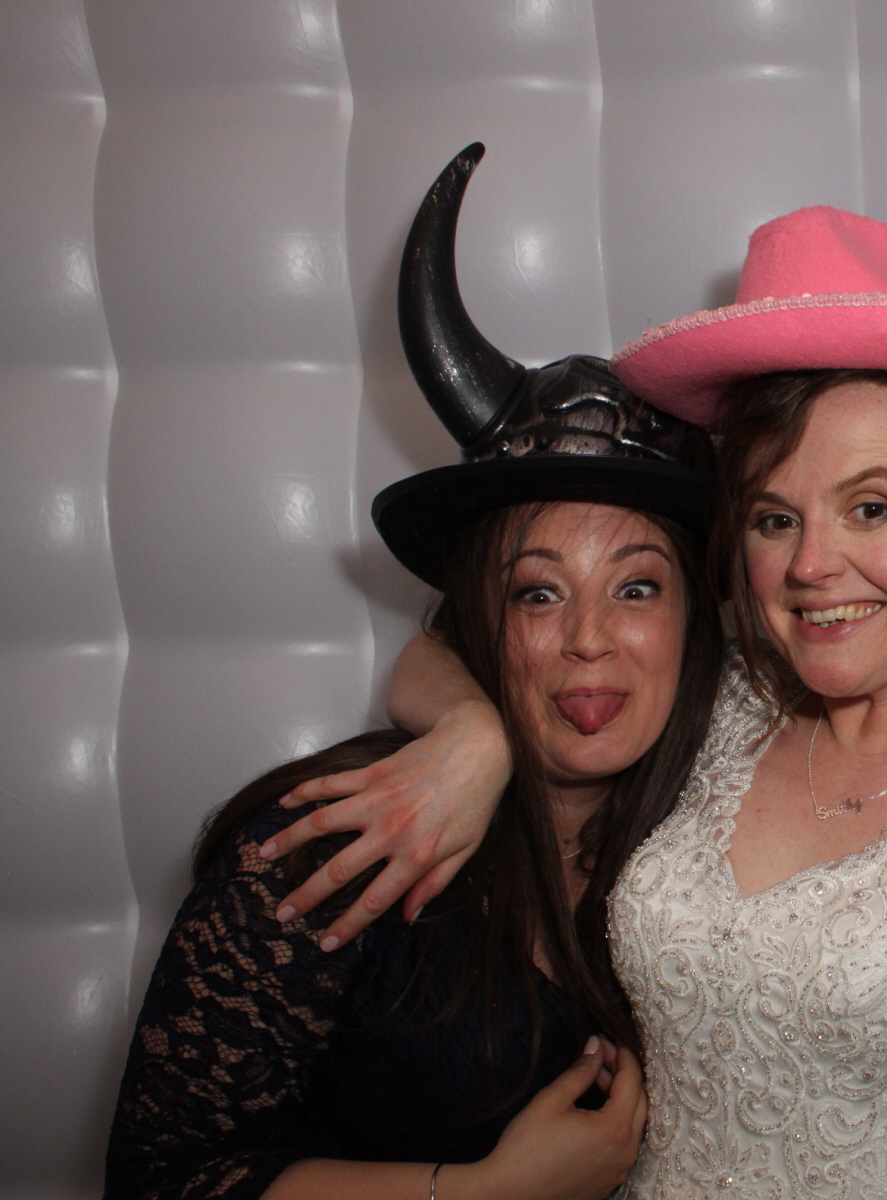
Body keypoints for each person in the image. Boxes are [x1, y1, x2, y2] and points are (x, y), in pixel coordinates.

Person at [275, 205, 887, 1197]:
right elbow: (478, 648)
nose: (812, 565)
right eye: (776, 518)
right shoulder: (720, 703)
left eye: (872, 507)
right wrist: (473, 735)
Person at [103, 145, 724, 1200]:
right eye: (537, 594)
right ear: (478, 622)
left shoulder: (718, 828)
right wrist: (475, 1196)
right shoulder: (327, 851)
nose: (588, 639)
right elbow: (160, 1182)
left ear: (696, 622)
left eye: (635, 588)